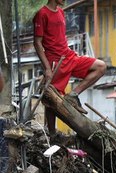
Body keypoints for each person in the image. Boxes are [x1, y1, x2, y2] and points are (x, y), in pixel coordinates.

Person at [33, 0, 106, 134]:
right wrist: (47, 68)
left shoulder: (61, 11)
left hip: (69, 56)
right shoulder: (42, 14)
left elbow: (60, 37)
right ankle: (51, 134)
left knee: (101, 66)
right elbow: (37, 43)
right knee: (51, 98)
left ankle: (73, 94)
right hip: (55, 61)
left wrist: (69, 50)